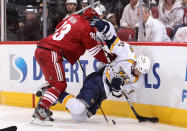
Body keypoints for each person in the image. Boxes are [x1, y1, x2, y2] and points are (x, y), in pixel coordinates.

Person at [31, 8, 116, 125]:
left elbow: (58, 28)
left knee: (55, 84)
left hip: (42, 49)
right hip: (51, 52)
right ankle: (40, 111)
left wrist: (75, 42)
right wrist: (111, 59)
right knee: (59, 84)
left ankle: (44, 103)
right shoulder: (88, 27)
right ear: (93, 19)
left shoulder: (73, 17)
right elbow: (95, 51)